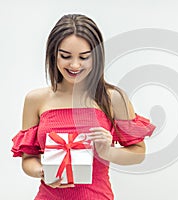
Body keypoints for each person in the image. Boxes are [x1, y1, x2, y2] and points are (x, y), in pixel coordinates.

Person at [11, 14, 155, 200]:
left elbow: (138, 154)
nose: (75, 65)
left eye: (84, 57)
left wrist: (107, 152)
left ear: (96, 57)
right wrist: (43, 172)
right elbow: (28, 159)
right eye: (66, 56)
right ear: (53, 55)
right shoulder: (35, 99)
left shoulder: (113, 98)